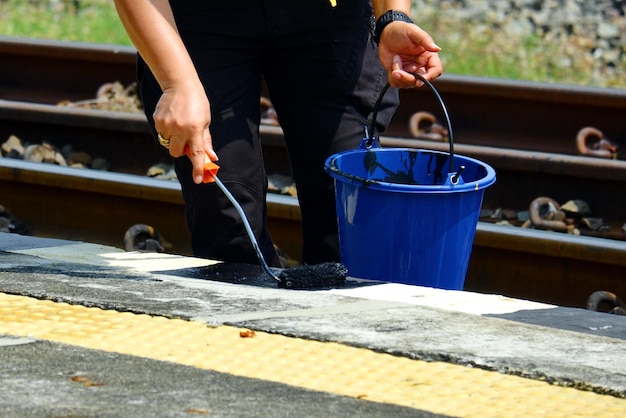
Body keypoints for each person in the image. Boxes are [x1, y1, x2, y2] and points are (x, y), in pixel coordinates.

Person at [113, 0, 442, 267]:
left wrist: (392, 16)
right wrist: (177, 83)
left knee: (346, 212)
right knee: (227, 221)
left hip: (328, 17)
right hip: (201, 19)